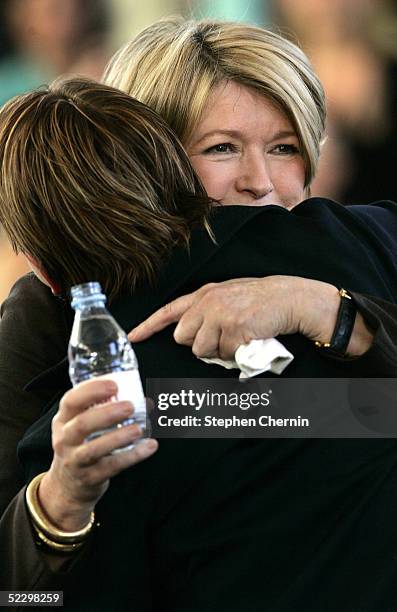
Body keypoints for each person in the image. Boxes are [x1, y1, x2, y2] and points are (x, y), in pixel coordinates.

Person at [0, 20, 396, 610]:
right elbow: (18, 592)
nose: (260, 183)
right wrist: (58, 503)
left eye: (285, 148)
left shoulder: (359, 252)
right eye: (222, 148)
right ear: (149, 165)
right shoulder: (55, 310)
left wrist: (327, 311)